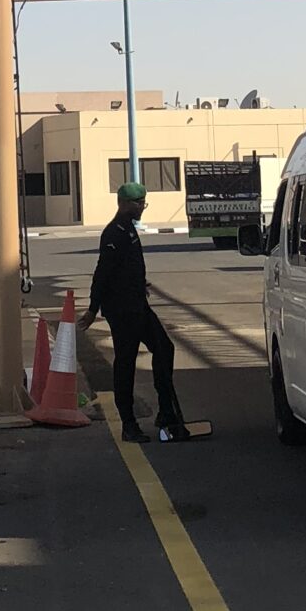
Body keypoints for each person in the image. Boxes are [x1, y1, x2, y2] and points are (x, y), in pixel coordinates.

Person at [88, 178, 186, 441]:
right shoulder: (114, 233)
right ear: (123, 204)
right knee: (126, 362)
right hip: (122, 310)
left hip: (138, 305)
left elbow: (126, 267)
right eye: (138, 203)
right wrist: (92, 308)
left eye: (143, 202)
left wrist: (138, 283)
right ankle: (129, 424)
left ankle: (166, 410)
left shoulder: (129, 229)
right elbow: (103, 273)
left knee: (164, 348)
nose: (142, 207)